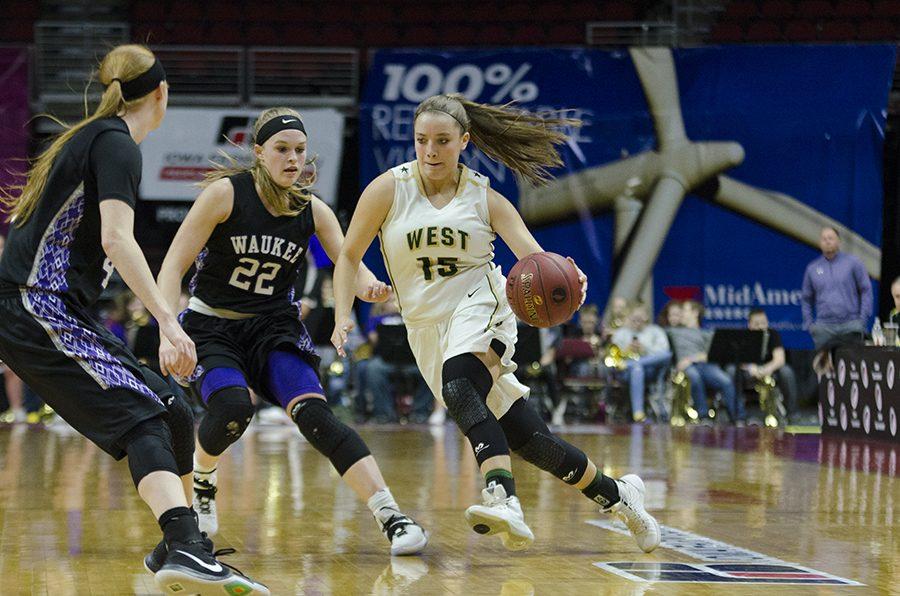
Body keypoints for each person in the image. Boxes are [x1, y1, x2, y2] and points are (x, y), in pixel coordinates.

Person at [331, 93, 659, 553]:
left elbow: (535, 257)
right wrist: (343, 314)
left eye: (442, 141)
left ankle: (502, 498)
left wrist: (569, 274)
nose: (430, 151)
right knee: (530, 440)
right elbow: (348, 255)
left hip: (481, 305)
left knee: (461, 387)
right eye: (421, 140)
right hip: (425, 328)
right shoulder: (389, 189)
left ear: (464, 141)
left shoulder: (483, 197)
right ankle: (619, 496)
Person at [0, 45, 266, 594]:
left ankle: (178, 546)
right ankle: (190, 547)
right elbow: (116, 239)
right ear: (162, 94)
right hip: (35, 303)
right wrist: (169, 321)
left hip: (52, 306)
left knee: (171, 411)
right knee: (143, 414)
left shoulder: (89, 138)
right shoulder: (115, 144)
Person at [156, 107, 427, 557]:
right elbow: (171, 267)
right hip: (212, 326)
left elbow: (347, 262)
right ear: (259, 153)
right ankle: (203, 476)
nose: (293, 159)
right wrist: (168, 330)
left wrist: (369, 287)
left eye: (300, 151)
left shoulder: (313, 210)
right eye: (282, 149)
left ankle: (391, 515)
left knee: (318, 418)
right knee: (231, 409)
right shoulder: (225, 195)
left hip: (273, 327)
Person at [668, 300, 743, 424]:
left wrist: (690, 359)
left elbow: (712, 354)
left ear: (695, 313)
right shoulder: (673, 331)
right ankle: (704, 417)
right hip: (687, 368)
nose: (681, 314)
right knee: (694, 377)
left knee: (726, 380)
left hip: (706, 365)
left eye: (684, 310)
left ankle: (739, 418)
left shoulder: (707, 333)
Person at [801, 226, 873, 349]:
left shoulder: (853, 263)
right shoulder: (812, 268)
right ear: (820, 243)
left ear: (839, 241)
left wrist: (862, 320)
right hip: (824, 328)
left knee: (852, 366)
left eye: (831, 238)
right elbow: (806, 298)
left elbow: (866, 290)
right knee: (823, 367)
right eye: (824, 239)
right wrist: (809, 325)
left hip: (851, 325)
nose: (827, 241)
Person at [733, 308, 799, 423]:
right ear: (749, 324)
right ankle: (740, 416)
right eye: (756, 324)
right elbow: (738, 359)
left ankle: (791, 413)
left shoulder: (773, 334)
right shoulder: (743, 336)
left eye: (763, 323)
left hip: (769, 370)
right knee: (732, 371)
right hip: (749, 371)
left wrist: (765, 369)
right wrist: (750, 368)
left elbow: (780, 359)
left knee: (787, 372)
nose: (760, 327)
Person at [611, 303, 671, 422]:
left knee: (667, 355)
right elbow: (613, 356)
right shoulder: (621, 333)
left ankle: (633, 364)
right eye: (634, 319)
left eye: (640, 319)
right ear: (629, 317)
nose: (637, 322)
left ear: (646, 317)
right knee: (637, 368)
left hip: (651, 371)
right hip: (625, 373)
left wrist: (645, 350)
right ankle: (638, 414)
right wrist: (627, 349)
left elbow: (663, 353)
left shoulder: (656, 331)